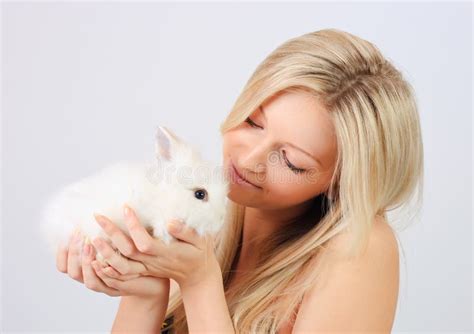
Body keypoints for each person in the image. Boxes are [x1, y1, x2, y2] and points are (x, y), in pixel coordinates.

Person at [55, 28, 424, 333]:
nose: (247, 161)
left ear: (342, 181)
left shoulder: (362, 245)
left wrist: (200, 283)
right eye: (252, 122)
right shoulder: (201, 214)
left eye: (292, 161)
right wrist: (146, 294)